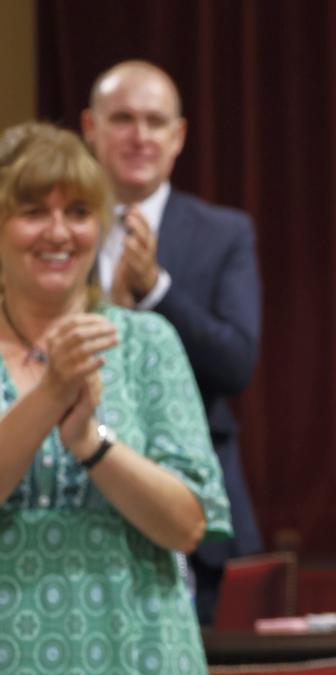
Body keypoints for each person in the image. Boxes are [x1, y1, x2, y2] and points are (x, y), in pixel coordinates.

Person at [0, 122, 230, 672]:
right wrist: (51, 395)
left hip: (140, 646)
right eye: (34, 211)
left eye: (78, 212)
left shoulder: (148, 341)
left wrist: (89, 442)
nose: (59, 233)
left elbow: (189, 526)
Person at [81, 60, 262, 624]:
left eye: (155, 122)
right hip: (75, 512)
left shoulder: (224, 232)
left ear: (178, 136)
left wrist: (157, 289)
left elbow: (235, 363)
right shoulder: (54, 232)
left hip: (194, 517)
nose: (140, 136)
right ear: (90, 128)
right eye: (123, 119)